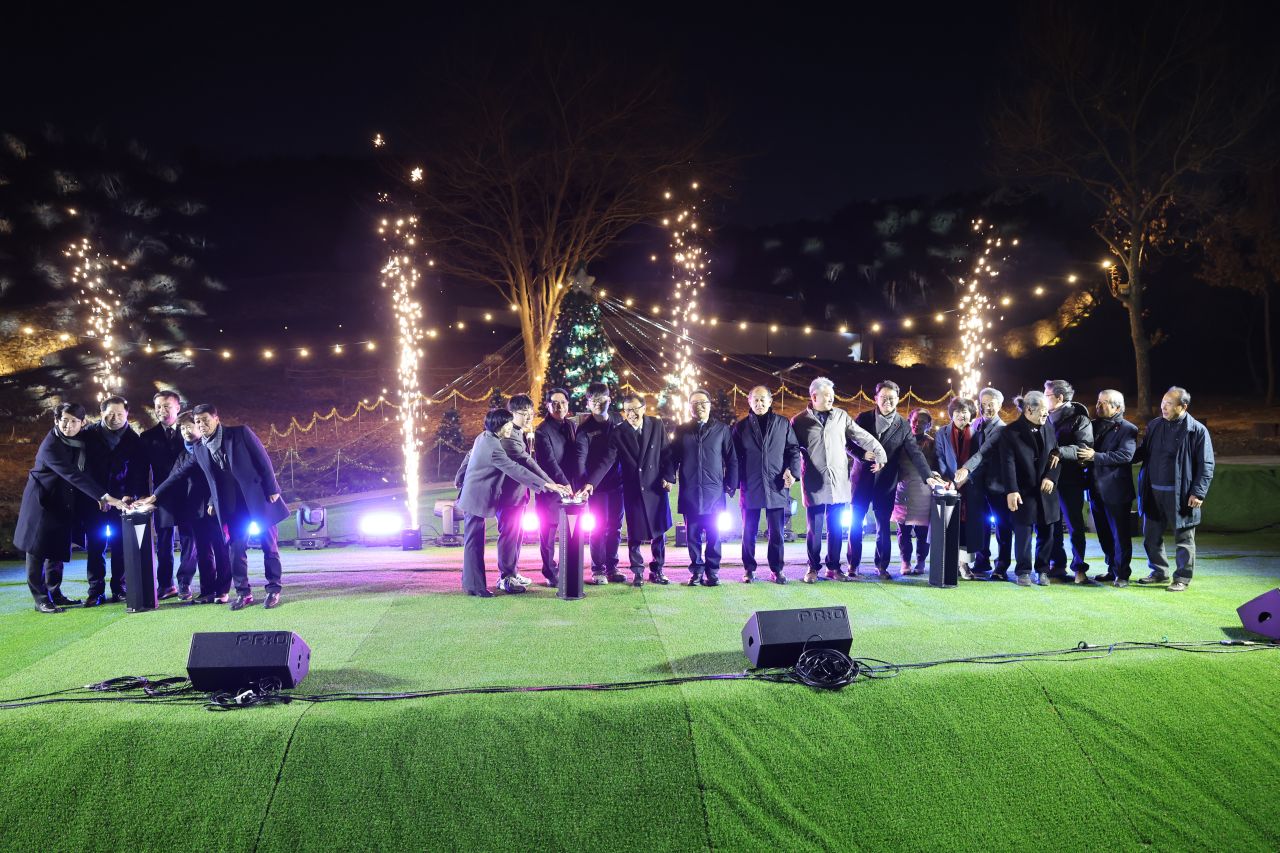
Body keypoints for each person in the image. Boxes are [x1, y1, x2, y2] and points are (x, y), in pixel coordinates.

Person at [139, 404, 289, 610]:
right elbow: (181, 474)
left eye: (204, 420)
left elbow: (262, 459)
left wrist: (273, 488)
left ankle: (273, 588)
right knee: (236, 549)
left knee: (268, 546)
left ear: (216, 419)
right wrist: (154, 497)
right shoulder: (200, 448)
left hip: (257, 498)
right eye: (197, 421)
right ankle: (243, 593)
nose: (201, 424)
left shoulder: (239, 433)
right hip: (232, 506)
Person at [13, 403, 124, 613]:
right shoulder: (51, 444)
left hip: (63, 501)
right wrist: (105, 497)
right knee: (36, 549)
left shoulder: (81, 441)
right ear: (56, 421)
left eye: (74, 421)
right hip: (42, 501)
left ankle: (55, 593)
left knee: (56, 547)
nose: (68, 425)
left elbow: (87, 471)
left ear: (82, 423)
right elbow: (73, 474)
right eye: (64, 420)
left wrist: (98, 495)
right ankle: (40, 599)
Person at [454, 408, 569, 596]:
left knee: (473, 542)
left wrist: (459, 476)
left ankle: (473, 585)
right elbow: (516, 469)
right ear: (499, 426)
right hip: (476, 498)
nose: (510, 426)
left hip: (472, 495)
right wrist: (547, 485)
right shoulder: (494, 449)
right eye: (508, 423)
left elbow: (468, 456)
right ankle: (476, 587)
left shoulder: (483, 437)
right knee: (473, 543)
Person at [791, 377, 885, 584]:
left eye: (832, 395)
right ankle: (813, 568)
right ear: (814, 396)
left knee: (835, 528)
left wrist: (880, 452)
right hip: (814, 481)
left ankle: (833, 567)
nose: (831, 398)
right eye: (826, 395)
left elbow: (861, 436)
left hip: (839, 481)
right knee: (814, 530)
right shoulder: (799, 421)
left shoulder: (841, 416)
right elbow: (791, 449)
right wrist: (791, 471)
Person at [849, 380, 942, 579]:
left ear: (898, 400)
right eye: (883, 398)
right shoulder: (863, 418)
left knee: (883, 526)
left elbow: (915, 453)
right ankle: (852, 565)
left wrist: (928, 477)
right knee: (856, 523)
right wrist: (861, 455)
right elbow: (847, 442)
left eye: (891, 398)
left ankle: (881, 566)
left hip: (886, 483)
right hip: (862, 480)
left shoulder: (902, 425)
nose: (887, 402)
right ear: (876, 398)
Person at [579, 392, 672, 585]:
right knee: (635, 532)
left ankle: (658, 570)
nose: (631, 414)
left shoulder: (656, 424)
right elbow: (608, 460)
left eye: (635, 409)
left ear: (644, 408)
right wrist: (591, 483)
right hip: (633, 488)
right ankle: (637, 571)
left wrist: (668, 477)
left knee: (659, 530)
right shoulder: (619, 431)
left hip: (655, 486)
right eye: (627, 410)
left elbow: (666, 453)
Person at [1135, 387, 1215, 592]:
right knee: (1151, 537)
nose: (1163, 406)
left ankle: (1182, 578)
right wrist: (1116, 455)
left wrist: (1198, 492)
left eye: (1169, 403)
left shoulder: (1196, 430)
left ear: (1183, 406)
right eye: (1163, 402)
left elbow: (1206, 464)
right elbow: (1142, 453)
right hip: (1153, 492)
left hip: (1181, 494)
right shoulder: (1154, 425)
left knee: (1184, 539)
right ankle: (1159, 572)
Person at [663, 389, 738, 586]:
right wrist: (669, 477)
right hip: (690, 491)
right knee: (692, 535)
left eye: (703, 402)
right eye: (695, 403)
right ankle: (696, 571)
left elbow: (731, 459)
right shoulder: (682, 430)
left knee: (714, 535)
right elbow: (673, 457)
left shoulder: (722, 430)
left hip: (714, 492)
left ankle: (712, 571)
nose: (699, 407)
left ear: (710, 404)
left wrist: (731, 482)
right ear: (689, 407)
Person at [81, 395, 148, 605]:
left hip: (122, 502)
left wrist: (130, 494)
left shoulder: (133, 439)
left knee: (120, 547)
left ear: (127, 413)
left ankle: (119, 588)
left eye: (120, 414)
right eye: (110, 414)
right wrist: (97, 495)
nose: (115, 418)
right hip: (94, 501)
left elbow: (138, 472)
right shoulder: (88, 435)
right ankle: (96, 591)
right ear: (101, 413)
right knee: (95, 546)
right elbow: (84, 470)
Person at [732, 385, 802, 584]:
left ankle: (777, 569)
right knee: (749, 532)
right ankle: (749, 569)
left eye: (763, 399)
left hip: (777, 485)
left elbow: (793, 450)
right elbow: (734, 457)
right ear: (749, 402)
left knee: (777, 533)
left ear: (770, 401)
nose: (759, 403)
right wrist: (734, 482)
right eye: (755, 400)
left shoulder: (782, 423)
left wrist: (792, 471)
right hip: (751, 485)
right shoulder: (741, 427)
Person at [167, 411, 231, 603]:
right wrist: (154, 498)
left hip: (214, 508)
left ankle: (223, 590)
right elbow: (174, 478)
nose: (186, 431)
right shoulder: (182, 454)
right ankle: (207, 590)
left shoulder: (211, 448)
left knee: (221, 548)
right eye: (182, 428)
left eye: (189, 426)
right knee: (203, 551)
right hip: (194, 510)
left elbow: (220, 478)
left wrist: (213, 501)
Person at [999, 391, 1061, 586]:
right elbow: (1007, 464)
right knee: (1023, 532)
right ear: (1028, 409)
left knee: (1047, 531)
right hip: (1023, 491)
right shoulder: (1010, 432)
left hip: (1046, 492)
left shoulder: (1049, 427)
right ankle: (1023, 570)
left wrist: (1051, 477)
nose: (1046, 414)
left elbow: (1056, 455)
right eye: (1042, 411)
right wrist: (1012, 490)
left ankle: (1042, 570)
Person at [1078, 390, 1138, 587]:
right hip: (1095, 491)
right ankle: (1111, 569)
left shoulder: (1128, 429)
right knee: (1103, 534)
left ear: (1117, 408)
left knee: (1120, 535)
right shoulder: (1093, 426)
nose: (1098, 406)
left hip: (1116, 492)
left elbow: (1125, 456)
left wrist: (1095, 456)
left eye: (1104, 403)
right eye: (1098, 402)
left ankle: (1122, 574)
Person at [952, 388, 1013, 579]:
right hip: (977, 487)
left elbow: (983, 453)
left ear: (1000, 405)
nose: (986, 408)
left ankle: (1001, 567)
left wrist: (965, 469)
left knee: (1003, 526)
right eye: (983, 404)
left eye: (991, 404)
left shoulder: (1003, 429)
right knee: (980, 525)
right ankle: (981, 560)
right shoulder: (976, 423)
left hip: (997, 485)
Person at [496, 394, 553, 588]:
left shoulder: (519, 432)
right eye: (523, 413)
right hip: (507, 497)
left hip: (518, 496)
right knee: (509, 535)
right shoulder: (509, 436)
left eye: (531, 412)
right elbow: (526, 462)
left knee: (516, 535)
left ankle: (512, 572)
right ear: (511, 414)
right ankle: (505, 577)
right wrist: (550, 483)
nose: (529, 417)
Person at [575, 383, 627, 584]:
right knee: (598, 527)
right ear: (588, 403)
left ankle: (612, 567)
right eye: (594, 401)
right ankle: (598, 569)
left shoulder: (618, 421)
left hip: (618, 484)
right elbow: (580, 459)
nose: (598, 404)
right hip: (596, 488)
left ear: (609, 400)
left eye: (602, 399)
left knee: (615, 527)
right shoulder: (584, 430)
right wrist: (584, 486)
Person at [1044, 380, 1093, 580]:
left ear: (1059, 398)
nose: (1043, 398)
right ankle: (1057, 564)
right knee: (1051, 524)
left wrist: (1060, 452)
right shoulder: (1044, 417)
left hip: (1071, 479)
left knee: (1074, 524)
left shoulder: (1080, 419)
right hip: (1048, 479)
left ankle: (1079, 568)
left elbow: (1084, 448)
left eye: (1046, 395)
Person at [139, 390, 186, 600]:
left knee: (189, 540)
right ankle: (166, 585)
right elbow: (142, 471)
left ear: (178, 407)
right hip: (161, 497)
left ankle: (185, 584)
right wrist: (143, 497)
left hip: (189, 494)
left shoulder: (189, 432)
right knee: (164, 543)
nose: (162, 410)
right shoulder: (147, 437)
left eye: (167, 406)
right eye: (158, 406)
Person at [533, 387, 582, 585]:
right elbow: (550, 463)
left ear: (568, 405)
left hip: (570, 490)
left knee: (571, 531)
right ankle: (550, 573)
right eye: (554, 403)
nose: (559, 406)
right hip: (551, 491)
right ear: (547, 405)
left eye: (562, 402)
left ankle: (568, 569)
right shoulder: (542, 431)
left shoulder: (571, 425)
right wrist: (565, 484)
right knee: (548, 533)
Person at [935, 397, 983, 578]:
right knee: (948, 525)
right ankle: (948, 563)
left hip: (970, 487)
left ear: (971, 414)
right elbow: (939, 456)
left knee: (967, 528)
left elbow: (980, 459)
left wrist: (966, 477)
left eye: (965, 412)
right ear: (951, 414)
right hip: (949, 486)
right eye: (957, 412)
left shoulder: (977, 433)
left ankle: (964, 565)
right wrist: (948, 479)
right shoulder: (942, 433)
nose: (961, 416)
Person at [890, 408, 939, 576]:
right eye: (915, 420)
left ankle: (920, 561)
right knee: (903, 530)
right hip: (903, 490)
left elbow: (937, 467)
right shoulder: (900, 440)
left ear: (929, 425)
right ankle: (905, 561)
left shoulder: (932, 443)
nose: (917, 424)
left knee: (922, 531)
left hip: (923, 491)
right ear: (909, 420)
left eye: (923, 421)